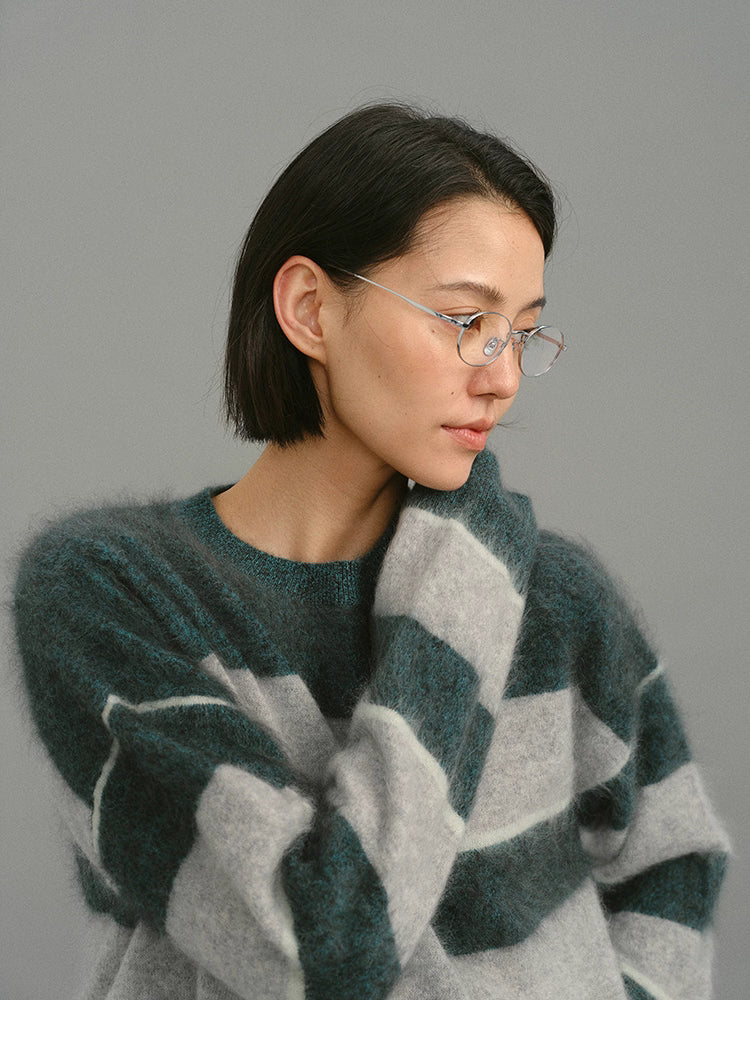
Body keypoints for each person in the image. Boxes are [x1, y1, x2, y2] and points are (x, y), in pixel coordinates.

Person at [13, 102, 728, 1000]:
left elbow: (669, 855)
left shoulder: (558, 598)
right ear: (310, 310)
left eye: (522, 333)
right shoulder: (107, 594)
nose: (503, 377)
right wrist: (471, 552)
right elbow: (325, 946)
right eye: (464, 320)